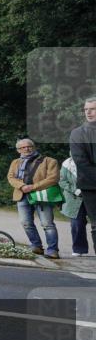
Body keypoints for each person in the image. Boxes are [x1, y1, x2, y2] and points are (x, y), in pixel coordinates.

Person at [7, 137, 61, 258]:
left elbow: (53, 178)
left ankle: (53, 250)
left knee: (47, 224)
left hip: (41, 195)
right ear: (18, 150)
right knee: (25, 222)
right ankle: (36, 246)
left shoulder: (49, 161)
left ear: (34, 147)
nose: (26, 149)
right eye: (23, 147)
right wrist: (22, 186)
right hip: (22, 195)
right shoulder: (15, 162)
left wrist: (33, 187)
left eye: (29, 146)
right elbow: (11, 177)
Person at [69, 97, 96, 257]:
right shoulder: (78, 133)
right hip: (91, 186)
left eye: (92, 109)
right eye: (86, 109)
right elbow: (81, 162)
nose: (89, 112)